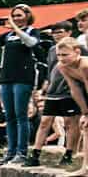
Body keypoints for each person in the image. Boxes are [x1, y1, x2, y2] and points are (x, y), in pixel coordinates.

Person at [0, 3, 46, 164]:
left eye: (19, 15)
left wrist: (15, 27)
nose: (15, 19)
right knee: (10, 116)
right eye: (13, 16)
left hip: (23, 78)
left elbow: (31, 43)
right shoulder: (7, 36)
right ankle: (10, 152)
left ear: (27, 16)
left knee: (21, 116)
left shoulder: (32, 31)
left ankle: (22, 152)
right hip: (6, 78)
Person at [28, 26, 81, 167]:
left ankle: (69, 153)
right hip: (52, 91)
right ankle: (35, 154)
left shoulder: (78, 47)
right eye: (54, 32)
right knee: (45, 121)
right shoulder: (52, 50)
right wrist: (44, 88)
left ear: (69, 32)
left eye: (60, 32)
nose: (56, 35)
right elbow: (49, 70)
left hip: (69, 91)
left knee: (70, 123)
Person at [51, 38, 88, 177]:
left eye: (65, 55)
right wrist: (85, 112)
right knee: (85, 127)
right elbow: (75, 89)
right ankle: (85, 168)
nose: (61, 58)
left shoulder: (85, 65)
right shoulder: (62, 66)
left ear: (77, 51)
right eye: (59, 55)